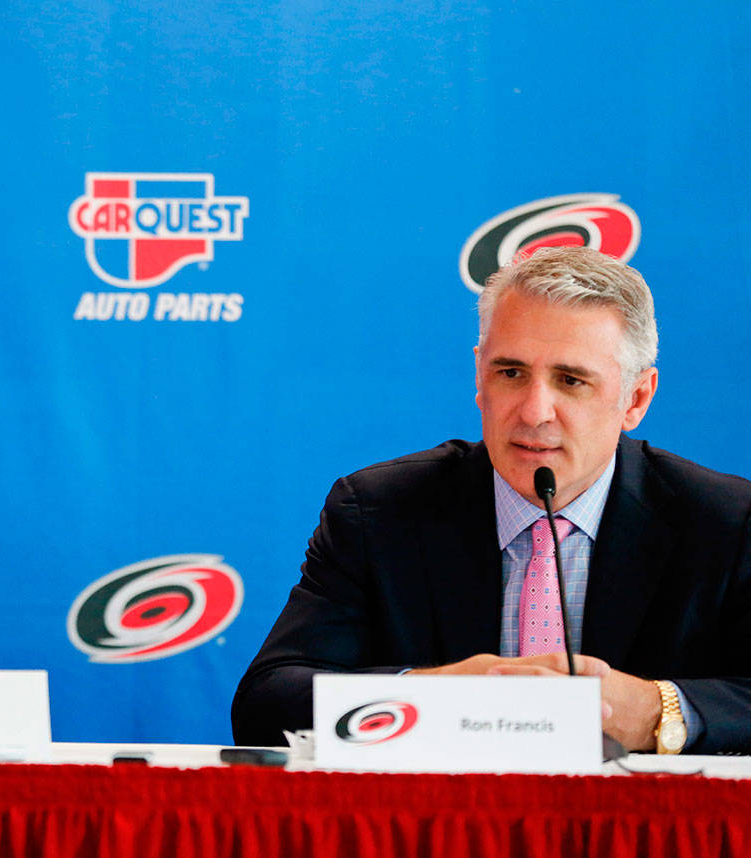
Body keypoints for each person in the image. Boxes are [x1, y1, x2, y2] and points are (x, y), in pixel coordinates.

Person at [232, 246, 751, 755]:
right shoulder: (379, 511)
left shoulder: (725, 522)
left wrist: (660, 711)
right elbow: (267, 704)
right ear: (480, 376)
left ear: (636, 398)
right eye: (511, 373)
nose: (534, 411)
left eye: (571, 381)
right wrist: (434, 696)